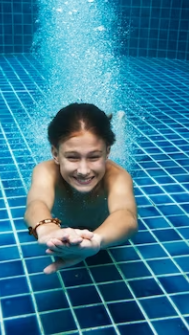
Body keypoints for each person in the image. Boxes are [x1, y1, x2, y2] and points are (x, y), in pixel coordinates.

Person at [24, 103, 137, 274]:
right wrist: (48, 230)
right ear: (55, 154)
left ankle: (119, 123)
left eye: (94, 157)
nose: (83, 171)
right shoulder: (45, 171)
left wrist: (97, 240)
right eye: (72, 157)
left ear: (107, 153)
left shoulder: (118, 176)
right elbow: (36, 203)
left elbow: (126, 215)